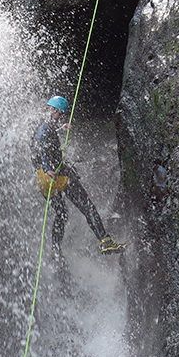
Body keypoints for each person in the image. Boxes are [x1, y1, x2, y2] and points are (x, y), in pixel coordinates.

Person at [31, 95, 125, 256]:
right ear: (53, 110)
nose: (61, 116)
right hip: (56, 176)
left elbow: (40, 142)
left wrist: (61, 128)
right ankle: (105, 241)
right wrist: (48, 167)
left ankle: (55, 249)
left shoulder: (43, 125)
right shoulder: (44, 129)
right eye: (60, 113)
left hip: (43, 180)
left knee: (61, 213)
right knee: (87, 207)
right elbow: (42, 145)